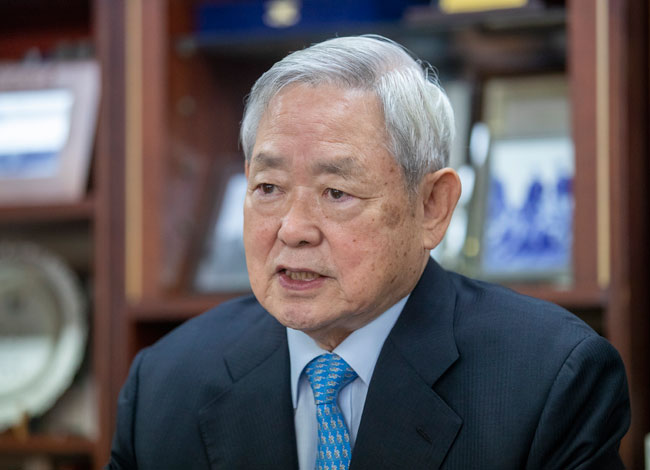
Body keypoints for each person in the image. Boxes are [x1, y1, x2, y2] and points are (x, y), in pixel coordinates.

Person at [108, 35, 630, 470]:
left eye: (336, 193)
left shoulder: (551, 381)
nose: (293, 230)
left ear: (432, 206)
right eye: (268, 188)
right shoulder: (164, 385)